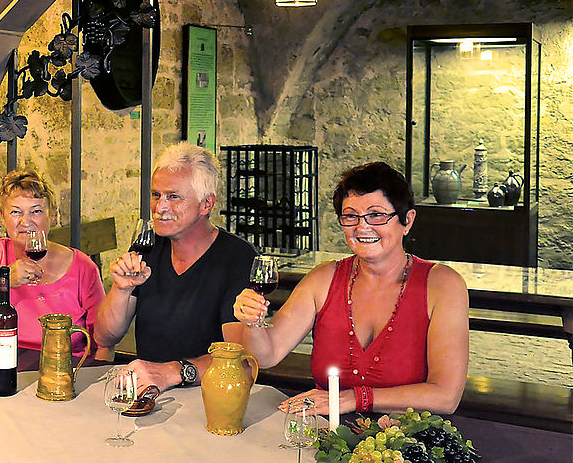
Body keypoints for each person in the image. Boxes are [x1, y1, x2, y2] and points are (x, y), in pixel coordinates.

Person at [234, 161, 469, 416]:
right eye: (350, 216)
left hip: (406, 442)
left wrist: (353, 399)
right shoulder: (324, 278)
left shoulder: (443, 285)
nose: (362, 226)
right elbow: (267, 356)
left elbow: (446, 397)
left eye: (376, 214)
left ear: (407, 221)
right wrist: (253, 324)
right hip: (326, 433)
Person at [93, 142, 258, 391]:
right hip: (147, 389)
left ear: (207, 204)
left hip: (210, 395)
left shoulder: (237, 257)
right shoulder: (148, 248)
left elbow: (238, 361)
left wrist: (172, 372)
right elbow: (105, 337)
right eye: (156, 195)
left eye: (173, 197)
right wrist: (121, 290)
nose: (160, 208)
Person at [0, 169, 105, 353]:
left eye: (36, 211)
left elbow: (104, 341)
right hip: (4, 369)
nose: (25, 221)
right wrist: (3, 281)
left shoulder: (82, 266)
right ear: (3, 217)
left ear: (52, 216)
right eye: (15, 212)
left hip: (65, 373)